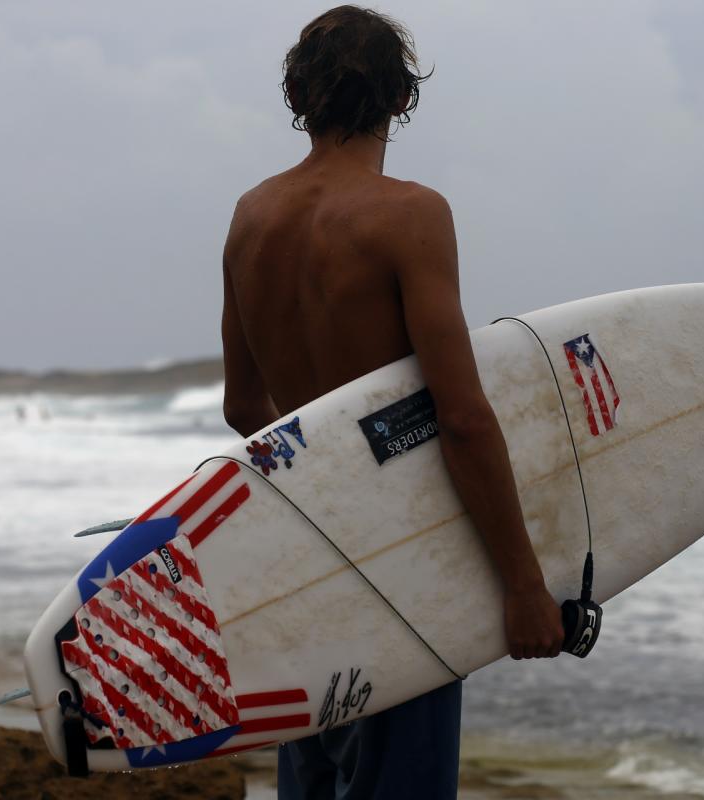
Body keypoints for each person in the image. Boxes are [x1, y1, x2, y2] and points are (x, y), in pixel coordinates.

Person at [218, 7, 565, 798]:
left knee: (313, 770)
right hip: (407, 559)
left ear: (298, 95)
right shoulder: (409, 215)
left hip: (308, 551)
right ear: (401, 100)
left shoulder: (251, 218)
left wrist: (331, 487)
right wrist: (521, 584)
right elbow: (464, 415)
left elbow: (245, 406)